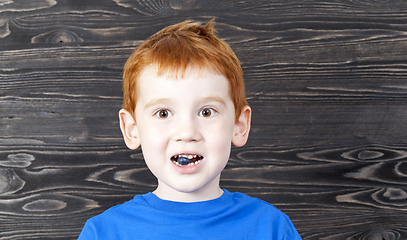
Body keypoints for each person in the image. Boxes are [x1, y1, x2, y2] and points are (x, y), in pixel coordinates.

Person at [78, 19, 302, 240]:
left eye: (206, 112)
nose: (186, 133)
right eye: (164, 113)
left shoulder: (272, 228)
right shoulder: (103, 233)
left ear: (239, 125)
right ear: (132, 129)